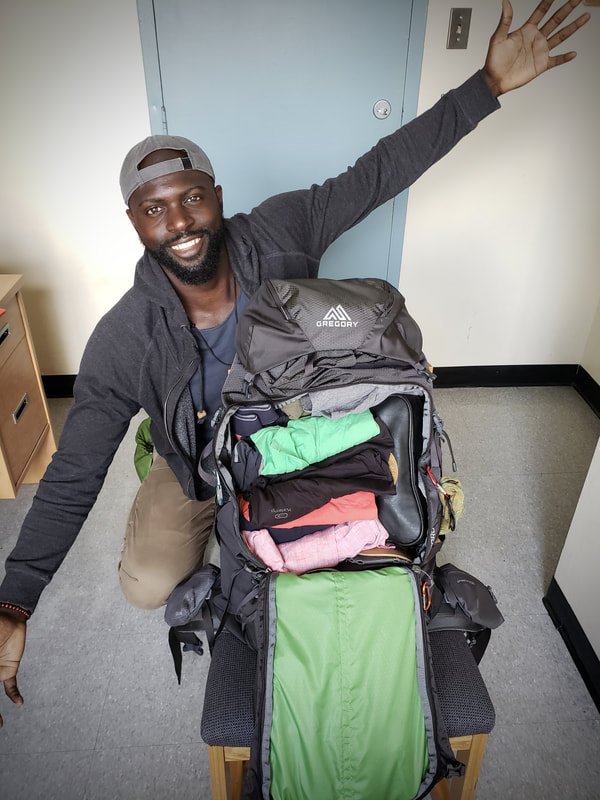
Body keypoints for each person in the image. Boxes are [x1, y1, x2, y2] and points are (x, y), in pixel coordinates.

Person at [0, 0, 591, 727]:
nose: (179, 223)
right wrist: (15, 596)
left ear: (216, 198)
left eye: (190, 199)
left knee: (373, 544)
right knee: (146, 587)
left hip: (293, 440)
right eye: (155, 210)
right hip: (197, 460)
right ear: (135, 223)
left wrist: (486, 87)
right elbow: (72, 472)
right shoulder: (125, 336)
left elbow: (380, 172)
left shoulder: (279, 231)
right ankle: (164, 464)